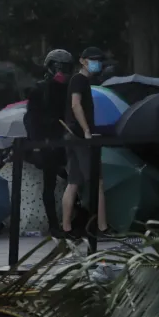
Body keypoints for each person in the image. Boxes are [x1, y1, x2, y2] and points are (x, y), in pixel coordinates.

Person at [61, 47, 112, 240]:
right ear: (83, 61)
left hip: (71, 135)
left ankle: (66, 229)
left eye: (99, 59)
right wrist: (87, 130)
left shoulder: (81, 81)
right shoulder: (79, 80)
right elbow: (76, 104)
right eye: (93, 59)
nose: (97, 63)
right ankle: (102, 227)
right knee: (96, 181)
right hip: (80, 137)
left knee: (73, 182)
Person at [23, 49, 72, 237]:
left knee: (74, 180)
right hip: (48, 143)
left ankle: (71, 220)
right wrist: (38, 143)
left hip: (68, 141)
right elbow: (31, 120)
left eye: (67, 68)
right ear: (50, 67)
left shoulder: (69, 89)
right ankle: (54, 225)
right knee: (50, 184)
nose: (63, 71)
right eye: (60, 67)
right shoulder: (39, 89)